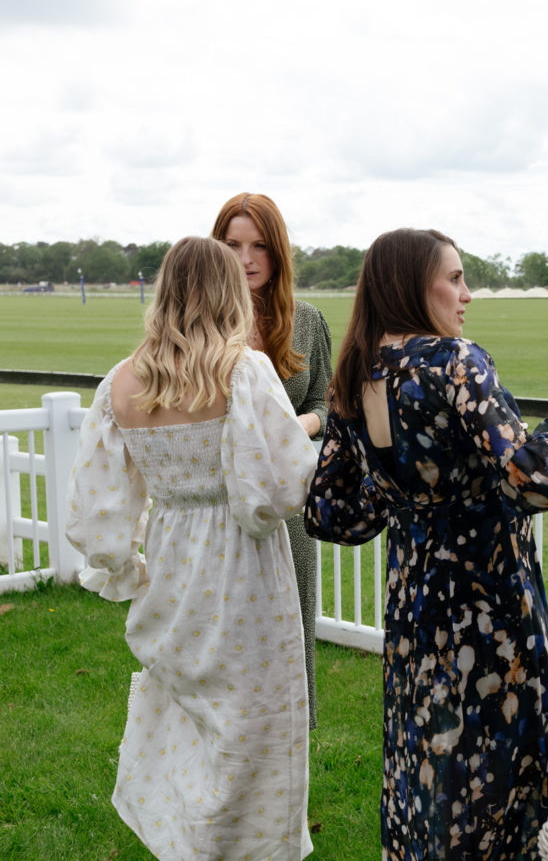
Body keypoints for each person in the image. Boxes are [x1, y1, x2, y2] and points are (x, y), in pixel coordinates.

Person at [304, 227, 548, 860]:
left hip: (415, 608)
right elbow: (537, 479)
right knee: (496, 773)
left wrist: (408, 489)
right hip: (488, 608)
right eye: (455, 278)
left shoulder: (357, 374)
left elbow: (333, 513)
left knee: (429, 765)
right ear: (413, 284)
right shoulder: (455, 361)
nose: (468, 293)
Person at [66, 236, 317, 860]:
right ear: (230, 291)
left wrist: (127, 569)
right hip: (246, 571)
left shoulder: (121, 385)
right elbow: (281, 488)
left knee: (190, 720)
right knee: (251, 729)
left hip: (173, 568)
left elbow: (95, 515)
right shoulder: (246, 371)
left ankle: (191, 843)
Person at [212, 192, 333, 729]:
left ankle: (290, 755)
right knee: (228, 634)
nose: (245, 259)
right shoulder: (200, 324)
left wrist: (299, 427)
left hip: (289, 509)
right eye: (232, 244)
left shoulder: (306, 322)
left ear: (278, 252)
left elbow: (331, 403)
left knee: (291, 628)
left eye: (259, 245)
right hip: (220, 507)